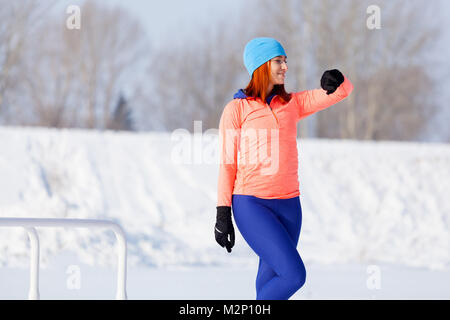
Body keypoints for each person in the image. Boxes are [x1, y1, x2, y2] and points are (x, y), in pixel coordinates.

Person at [214, 37, 354, 300]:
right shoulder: (237, 109)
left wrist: (336, 78)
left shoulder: (292, 104)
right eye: (279, 61)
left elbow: (341, 92)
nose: (285, 67)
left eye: (285, 61)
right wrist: (223, 214)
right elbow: (227, 163)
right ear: (261, 65)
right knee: (294, 275)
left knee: (270, 282)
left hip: (290, 206)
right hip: (252, 204)